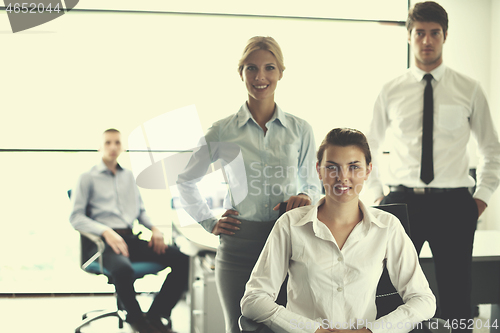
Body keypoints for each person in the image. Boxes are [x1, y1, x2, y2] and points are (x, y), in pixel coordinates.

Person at [365, 1, 500, 331]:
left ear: (445, 36)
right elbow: (367, 149)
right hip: (401, 202)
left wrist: (479, 199)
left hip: (454, 204)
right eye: (420, 33)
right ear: (409, 37)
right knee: (392, 292)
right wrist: (378, 198)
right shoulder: (390, 90)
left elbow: (491, 150)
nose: (427, 40)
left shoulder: (469, 89)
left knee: (456, 295)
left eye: (434, 33)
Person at [176, 36, 321, 333]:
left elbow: (314, 183)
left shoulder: (300, 129)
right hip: (238, 247)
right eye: (251, 68)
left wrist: (306, 195)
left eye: (269, 68)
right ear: (240, 72)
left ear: (281, 72)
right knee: (239, 328)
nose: (260, 77)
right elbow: (186, 181)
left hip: (288, 244)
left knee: (288, 328)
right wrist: (208, 221)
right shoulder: (222, 130)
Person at [241, 128, 436, 333]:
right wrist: (313, 331)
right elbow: (254, 299)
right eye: (332, 167)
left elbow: (423, 300)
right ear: (319, 170)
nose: (343, 177)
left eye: (353, 167)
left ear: (368, 170)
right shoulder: (290, 225)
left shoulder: (388, 227)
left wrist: (371, 331)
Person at [70, 128, 189, 333]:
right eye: (108, 142)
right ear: (100, 147)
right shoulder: (87, 178)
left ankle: (155, 314)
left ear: (122, 147)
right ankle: (139, 323)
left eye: (117, 142)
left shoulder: (129, 178)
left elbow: (140, 212)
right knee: (123, 269)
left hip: (129, 238)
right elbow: (76, 217)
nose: (113, 147)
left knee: (182, 259)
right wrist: (106, 231)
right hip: (102, 243)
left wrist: (154, 229)